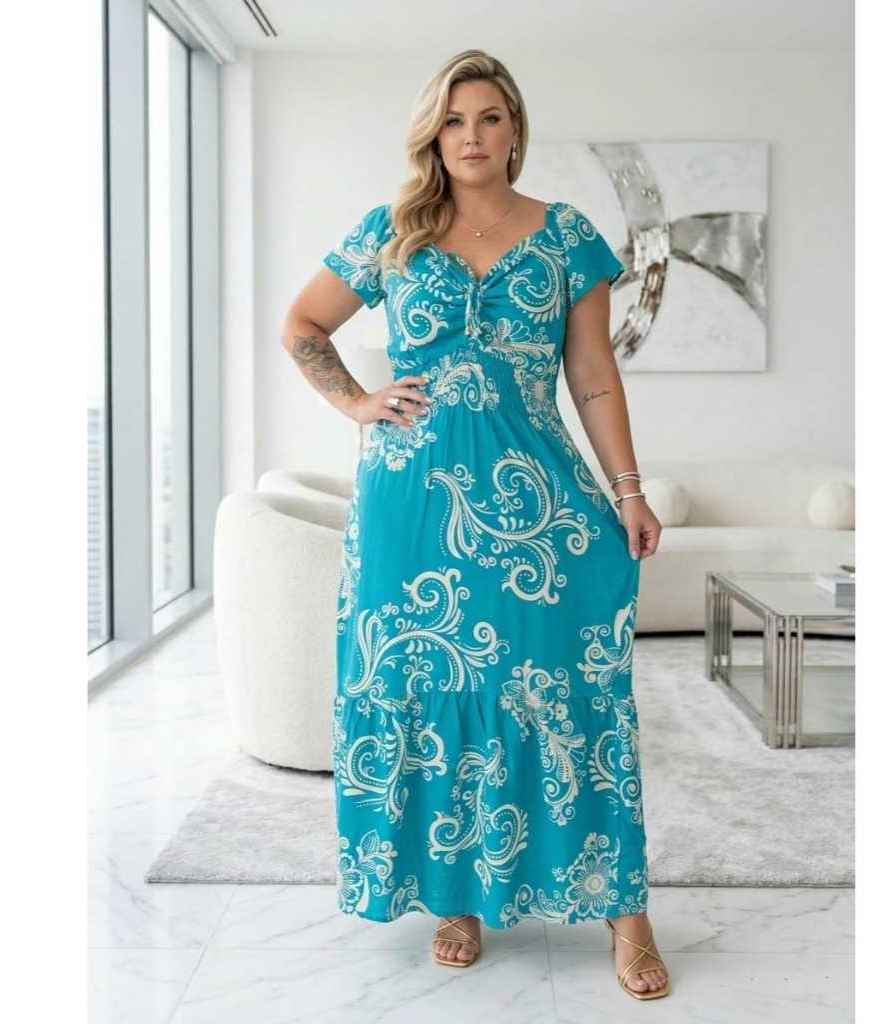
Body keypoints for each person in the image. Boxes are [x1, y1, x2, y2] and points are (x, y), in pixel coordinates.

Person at [279, 49, 669, 1001]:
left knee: (568, 690)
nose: (472, 136)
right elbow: (302, 325)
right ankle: (452, 896)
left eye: (490, 117)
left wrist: (626, 488)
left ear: (515, 129)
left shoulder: (566, 234)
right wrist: (358, 402)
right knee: (426, 691)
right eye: (454, 120)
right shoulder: (392, 231)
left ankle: (625, 912)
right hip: (409, 503)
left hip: (535, 503)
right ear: (433, 133)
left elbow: (592, 376)